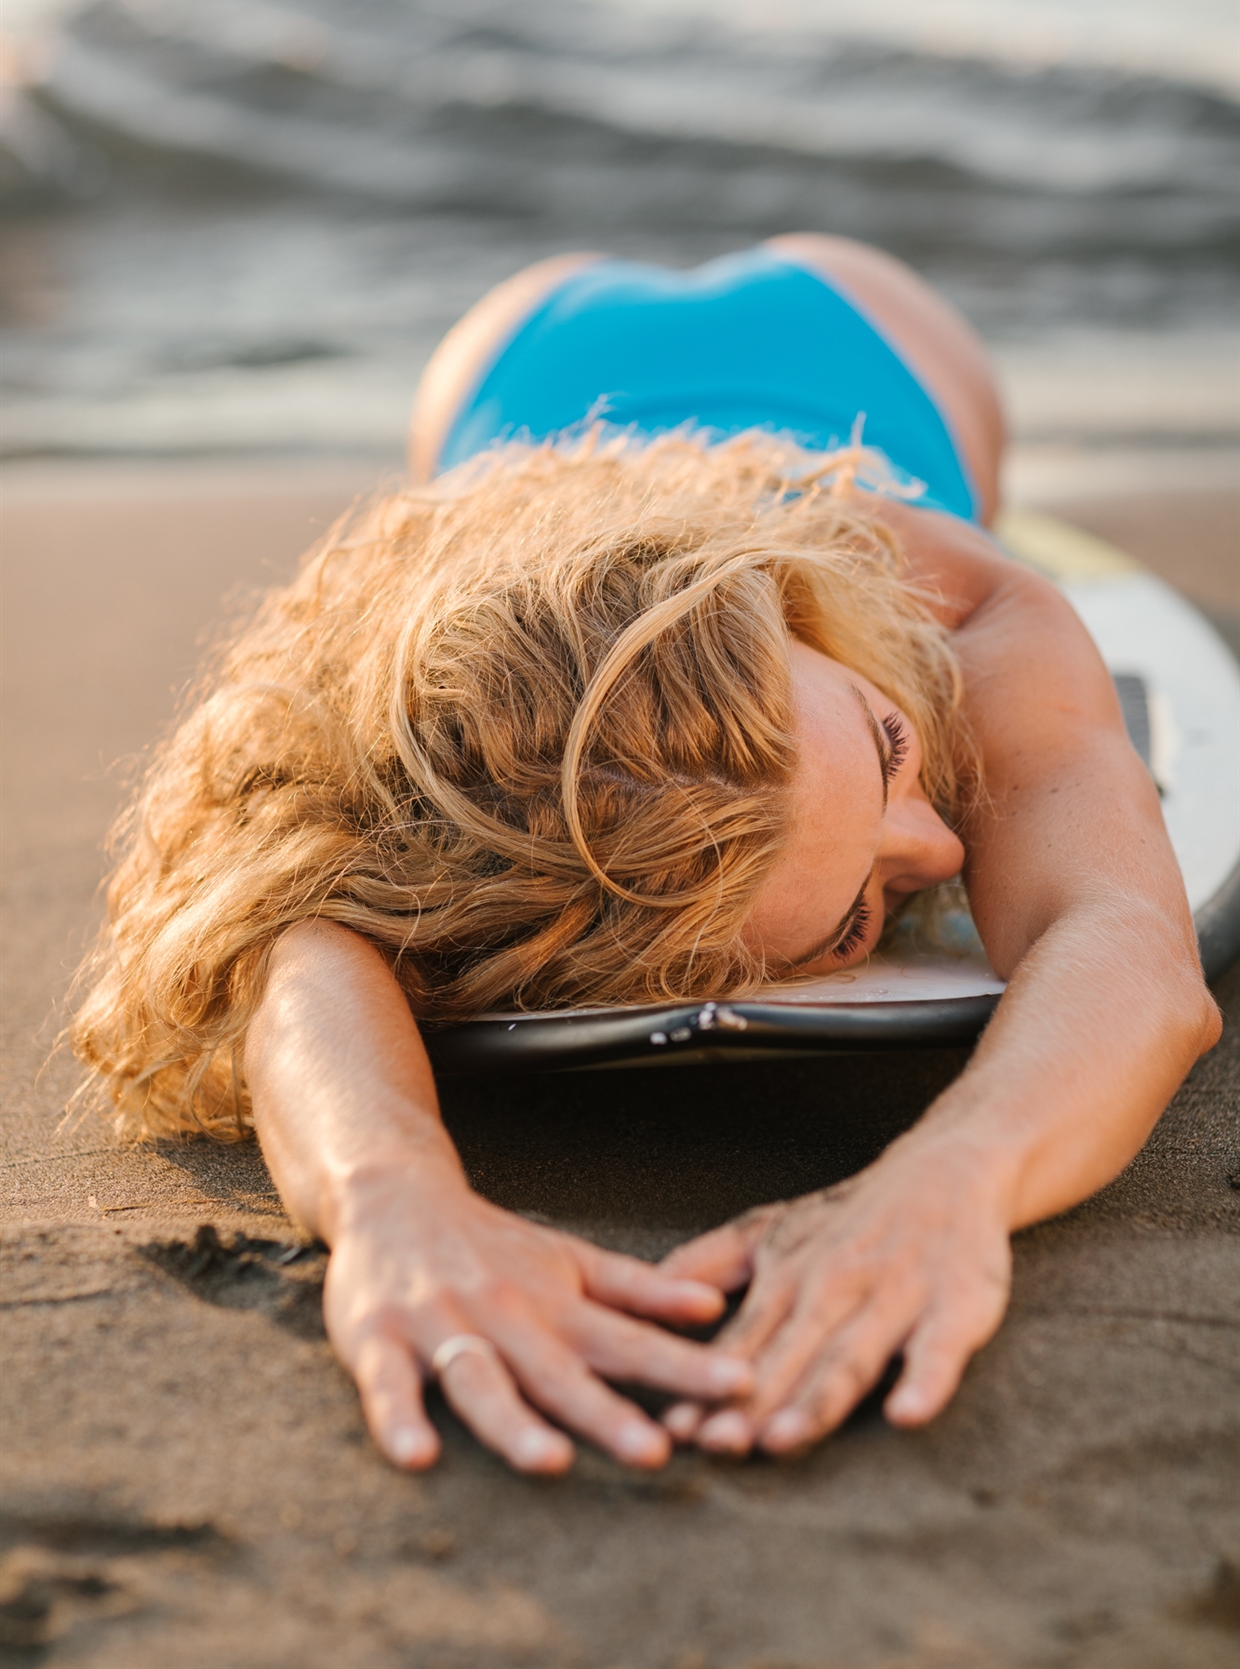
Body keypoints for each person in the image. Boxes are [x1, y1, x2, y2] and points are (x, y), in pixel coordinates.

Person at [72, 234, 1219, 1477]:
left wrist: (957, 1179)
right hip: (513, 355)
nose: (945, 841)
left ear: (791, 610)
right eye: (853, 917)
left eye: (887, 743)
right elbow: (294, 925)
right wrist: (388, 1199)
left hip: (858, 323)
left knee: (958, 448)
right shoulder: (393, 686)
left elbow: (1130, 951)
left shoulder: (967, 609)